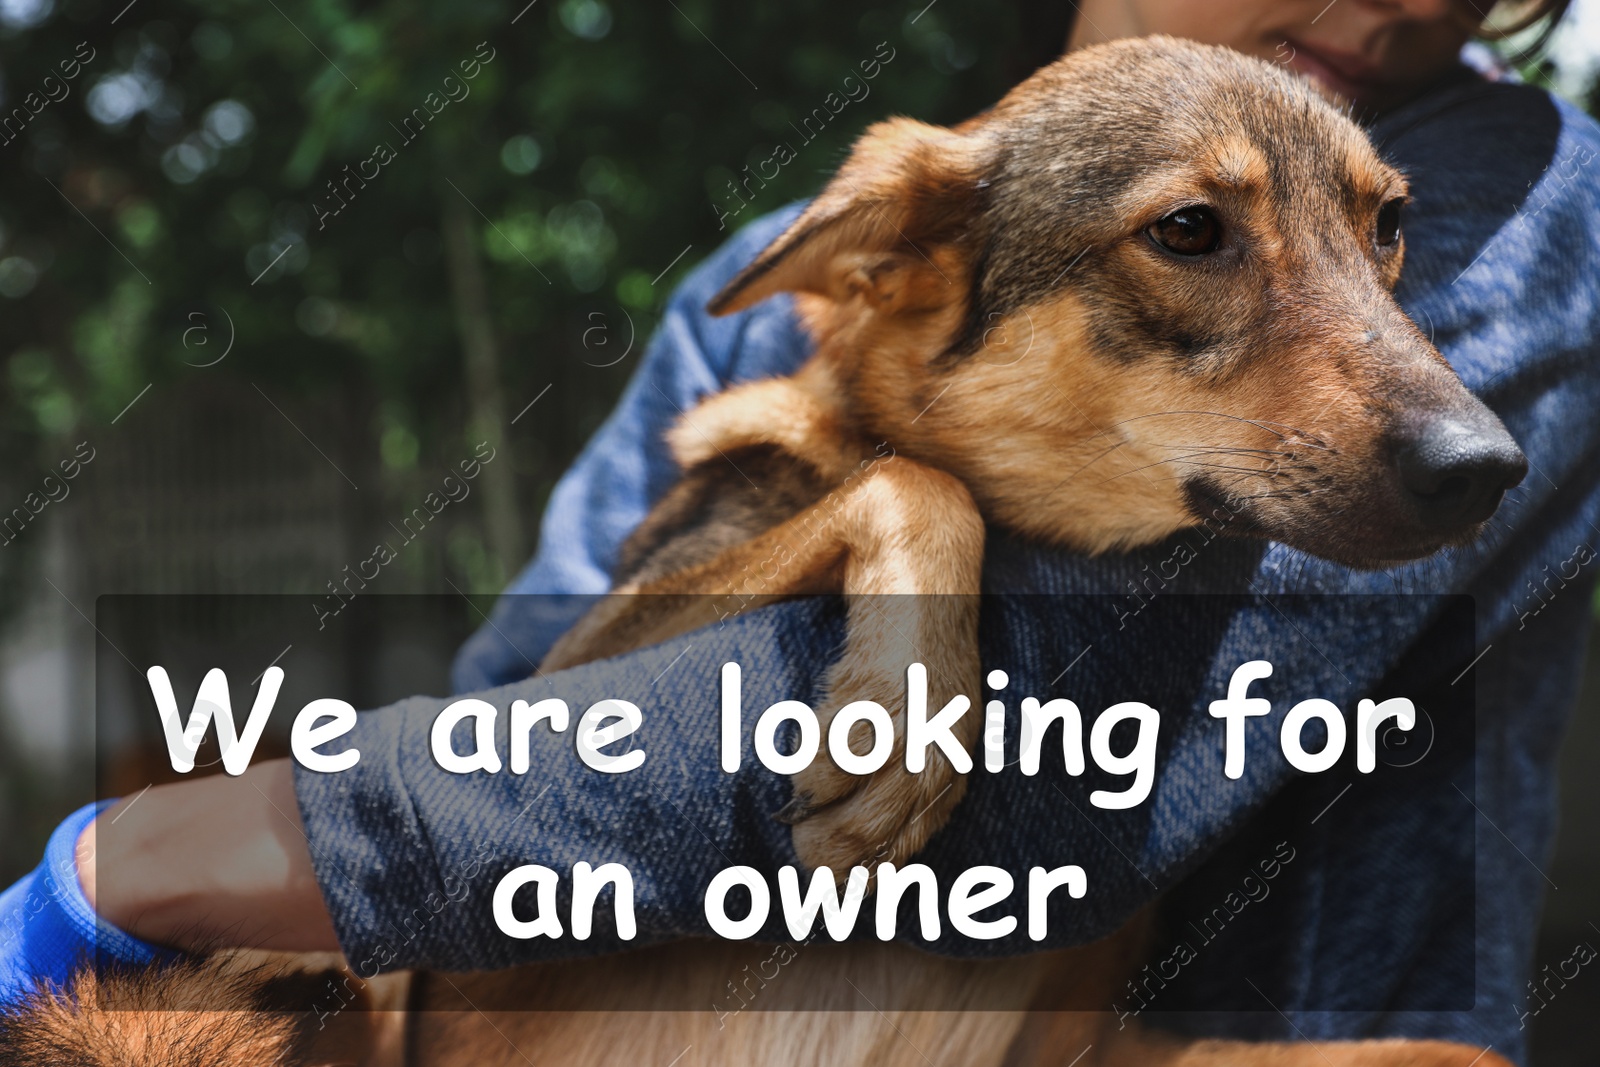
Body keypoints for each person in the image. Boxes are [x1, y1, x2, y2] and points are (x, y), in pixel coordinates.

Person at [4, 0, 1597, 1059]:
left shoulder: (1531, 202)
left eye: (1380, 235)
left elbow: (1037, 787)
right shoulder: (783, 279)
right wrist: (896, 520)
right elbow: (524, 749)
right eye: (1194, 236)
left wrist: (177, 852)